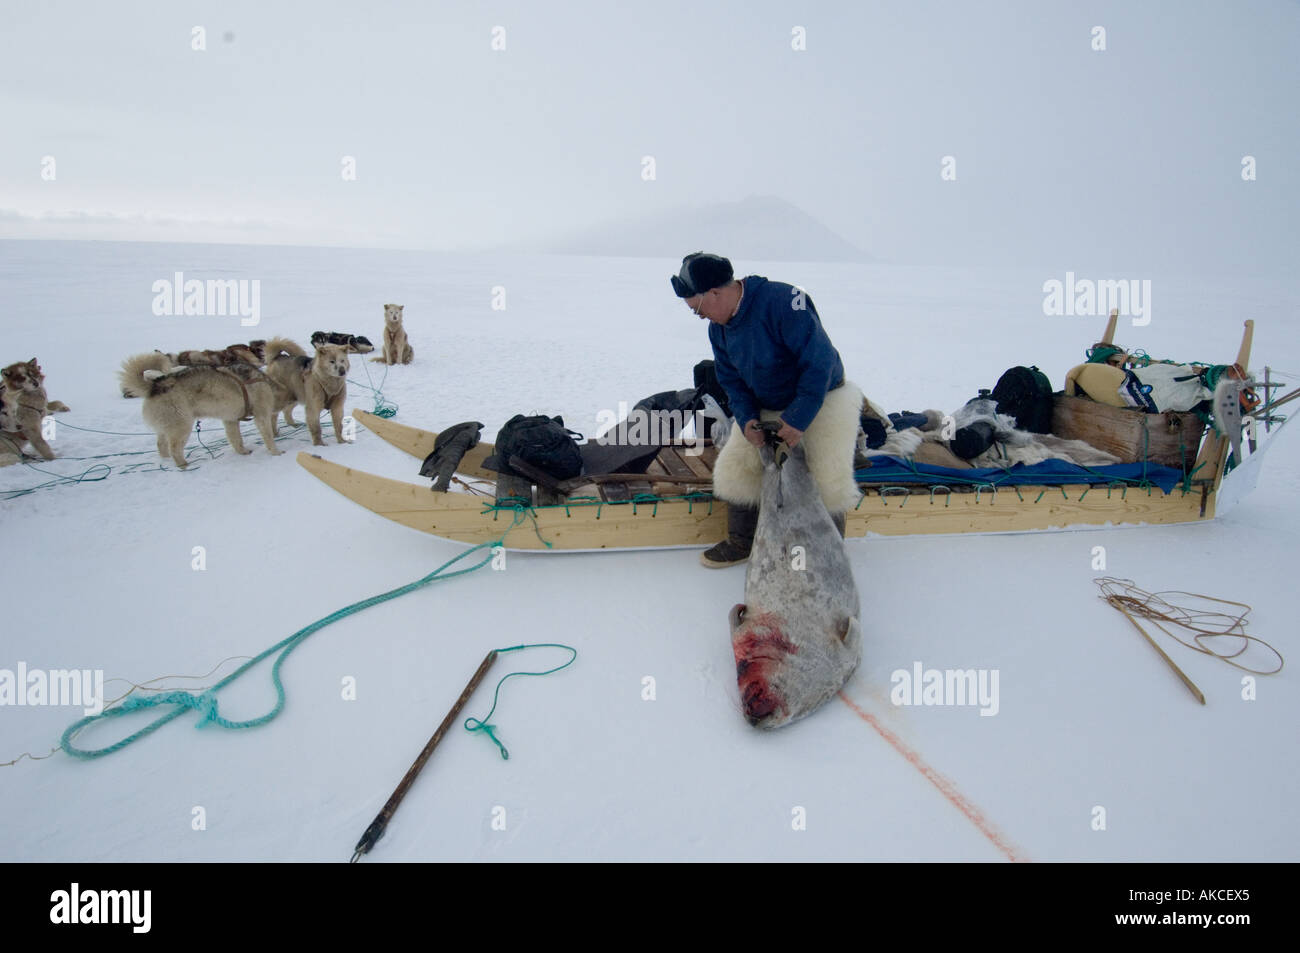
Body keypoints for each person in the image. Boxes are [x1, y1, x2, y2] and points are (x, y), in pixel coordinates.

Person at [671, 252, 863, 568]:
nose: (700, 317)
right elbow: (731, 379)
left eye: (698, 309)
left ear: (715, 293)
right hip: (767, 402)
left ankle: (826, 554)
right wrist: (747, 419)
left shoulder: (785, 301)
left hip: (823, 395)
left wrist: (798, 419)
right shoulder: (718, 328)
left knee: (828, 475)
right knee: (736, 466)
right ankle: (743, 542)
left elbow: (819, 363)